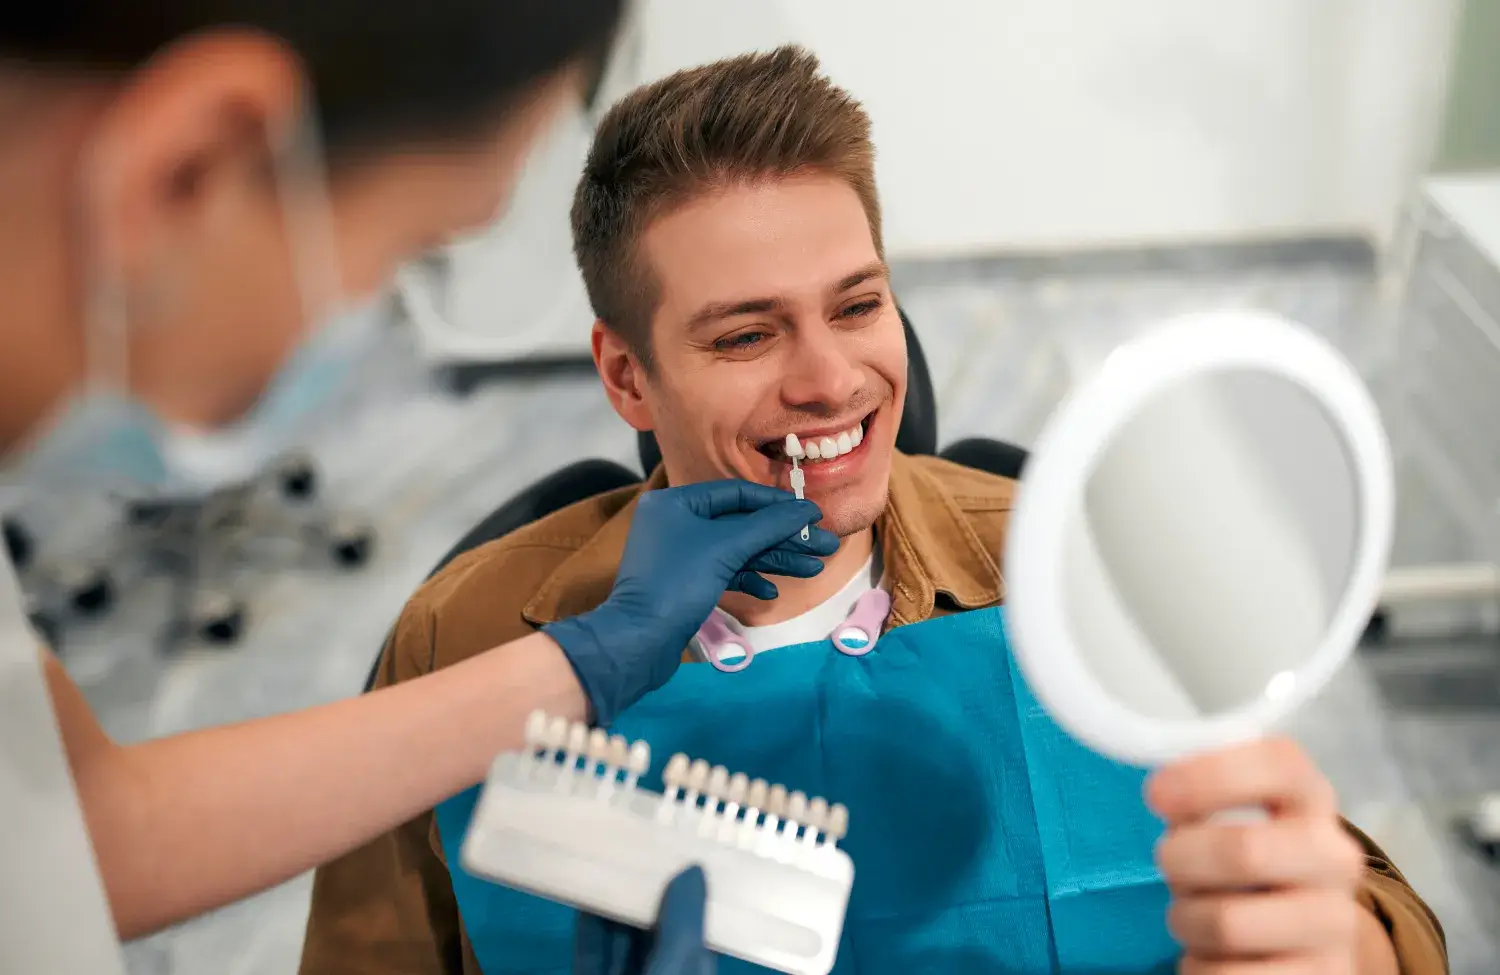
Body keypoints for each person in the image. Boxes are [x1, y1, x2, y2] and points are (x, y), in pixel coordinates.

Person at [302, 46, 1448, 975]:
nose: (831, 381)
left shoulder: (1078, 570)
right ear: (627, 376)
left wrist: (1338, 941)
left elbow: (1380, 923)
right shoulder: (468, 642)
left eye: (857, 306)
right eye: (747, 334)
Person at [0, 6, 812, 972]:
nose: (825, 379)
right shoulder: (455, 615)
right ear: (185, 172)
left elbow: (82, 831)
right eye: (412, 248)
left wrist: (583, 665)